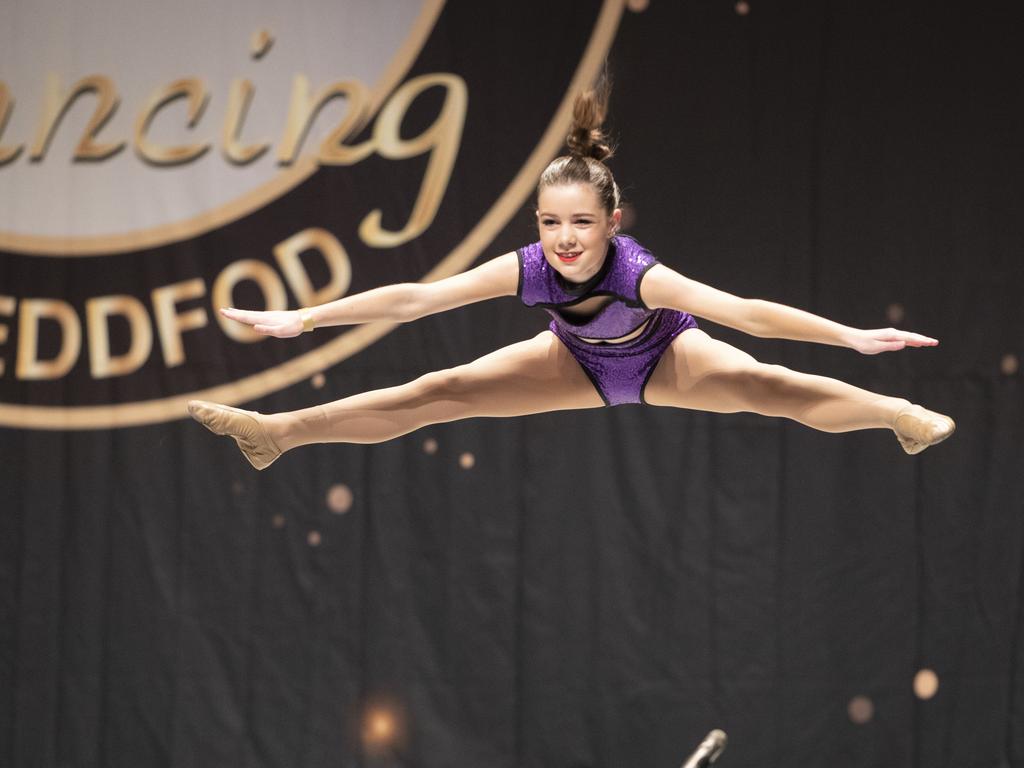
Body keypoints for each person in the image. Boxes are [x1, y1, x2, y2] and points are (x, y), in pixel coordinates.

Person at [188, 82, 955, 470]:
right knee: (436, 392)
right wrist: (306, 319)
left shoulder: (637, 272)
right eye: (550, 224)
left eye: (581, 224)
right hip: (575, 362)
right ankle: (276, 435)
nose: (564, 240)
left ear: (612, 223)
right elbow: (419, 298)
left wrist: (852, 337)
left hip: (665, 356)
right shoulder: (528, 269)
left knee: (771, 387)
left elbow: (747, 311)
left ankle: (894, 414)